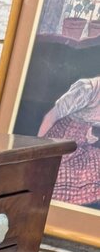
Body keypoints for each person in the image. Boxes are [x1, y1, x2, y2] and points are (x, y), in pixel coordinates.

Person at [37, 76, 100, 207]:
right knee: (51, 176)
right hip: (59, 141)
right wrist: (38, 151)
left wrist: (90, 134)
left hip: (83, 144)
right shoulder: (87, 89)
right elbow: (50, 117)